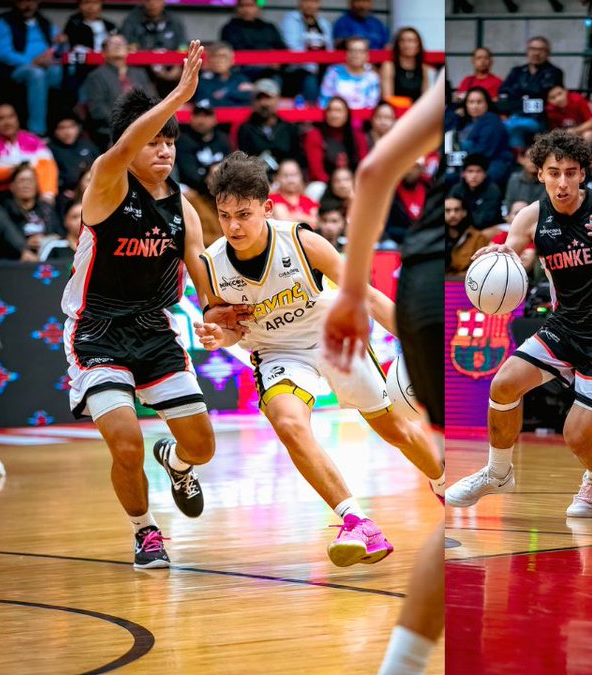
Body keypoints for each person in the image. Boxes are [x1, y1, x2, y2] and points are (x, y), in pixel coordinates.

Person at [193, 151, 445, 565]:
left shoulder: (303, 242)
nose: (233, 226)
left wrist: (416, 344)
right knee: (288, 422)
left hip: (333, 337)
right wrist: (216, 336)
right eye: (224, 216)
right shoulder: (213, 265)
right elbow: (231, 328)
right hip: (277, 351)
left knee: (397, 431)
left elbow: (370, 297)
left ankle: (443, 485)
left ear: (267, 208)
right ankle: (356, 523)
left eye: (243, 214)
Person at [60, 43, 230, 569]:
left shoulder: (181, 204)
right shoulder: (108, 185)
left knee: (202, 447)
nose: (164, 150)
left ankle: (177, 463)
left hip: (155, 331)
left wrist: (213, 309)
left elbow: (197, 258)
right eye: (153, 141)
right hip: (97, 332)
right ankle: (145, 531)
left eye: (170, 142)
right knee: (126, 442)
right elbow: (118, 150)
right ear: (129, 148)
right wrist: (179, 95)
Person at [445, 130, 592, 518]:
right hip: (565, 324)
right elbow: (510, 252)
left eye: (572, 172)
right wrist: (498, 256)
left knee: (576, 435)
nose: (563, 182)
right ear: (540, 175)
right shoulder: (532, 216)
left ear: (584, 172)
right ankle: (498, 472)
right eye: (554, 173)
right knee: (503, 385)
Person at [320, 76, 445, 675]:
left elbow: (372, 173)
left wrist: (350, 293)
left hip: (419, 283)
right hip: (446, 273)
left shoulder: (449, 94)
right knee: (457, 514)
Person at [0, 0, 61, 136]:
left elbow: (56, 42)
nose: (28, 5)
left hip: (44, 66)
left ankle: (59, 124)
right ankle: (37, 131)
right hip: (16, 69)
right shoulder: (3, 22)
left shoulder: (44, 22)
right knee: (36, 75)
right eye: (23, 1)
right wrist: (32, 61)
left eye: (31, 1)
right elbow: (3, 52)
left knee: (60, 72)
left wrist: (55, 49)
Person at [79, 33, 157, 148]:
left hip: (142, 127)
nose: (118, 46)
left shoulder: (139, 74)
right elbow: (97, 109)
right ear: (103, 53)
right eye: (113, 44)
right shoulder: (96, 76)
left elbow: (152, 100)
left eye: (121, 43)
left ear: (128, 50)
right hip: (111, 131)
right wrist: (125, 123)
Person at [497, 36, 564, 149]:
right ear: (527, 51)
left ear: (547, 53)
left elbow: (543, 95)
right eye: (533, 49)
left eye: (541, 50)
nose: (536, 53)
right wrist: (527, 97)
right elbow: (503, 91)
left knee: (515, 127)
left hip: (539, 118)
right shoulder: (517, 71)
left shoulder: (554, 72)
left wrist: (519, 96)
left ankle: (519, 161)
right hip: (514, 115)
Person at [119, 0, 188, 93]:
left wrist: (177, 67)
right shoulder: (132, 20)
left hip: (170, 67)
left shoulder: (174, 20)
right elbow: (129, 46)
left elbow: (183, 45)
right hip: (142, 69)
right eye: (148, 1)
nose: (152, 4)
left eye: (156, 1)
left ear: (163, 2)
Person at [237, 79, 305, 171]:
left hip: (285, 179)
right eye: (259, 98)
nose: (264, 103)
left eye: (268, 98)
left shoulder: (290, 128)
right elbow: (243, 163)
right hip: (256, 180)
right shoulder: (245, 129)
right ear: (253, 102)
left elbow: (298, 160)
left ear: (277, 99)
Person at [0, 102, 58, 199]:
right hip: (2, 196)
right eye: (1, 118)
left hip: (36, 196)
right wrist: (11, 171)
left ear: (17, 119)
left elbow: (48, 168)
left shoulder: (32, 140)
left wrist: (47, 197)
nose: (7, 122)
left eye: (11, 116)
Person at [0, 163, 61, 257]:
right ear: (12, 186)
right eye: (22, 180)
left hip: (47, 257)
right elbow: (4, 236)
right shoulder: (3, 209)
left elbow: (59, 234)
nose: (26, 184)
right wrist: (26, 242)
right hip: (15, 260)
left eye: (30, 180)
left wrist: (47, 239)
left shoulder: (46, 208)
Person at [452, 86, 513, 188]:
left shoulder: (492, 122)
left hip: (491, 165)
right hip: (468, 164)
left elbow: (485, 152)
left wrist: (465, 148)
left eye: (479, 102)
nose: (474, 106)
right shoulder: (464, 122)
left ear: (487, 104)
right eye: (470, 102)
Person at [305, 96, 368, 183]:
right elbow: (317, 172)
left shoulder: (357, 136)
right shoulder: (315, 135)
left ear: (347, 114)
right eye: (330, 110)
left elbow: (364, 166)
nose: (334, 115)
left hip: (353, 184)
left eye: (338, 111)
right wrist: (335, 186)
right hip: (325, 184)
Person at [281, 0, 332, 102]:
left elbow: (330, 49)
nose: (310, 5)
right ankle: (311, 115)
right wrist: (313, 64)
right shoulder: (291, 20)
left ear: (319, 4)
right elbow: (293, 47)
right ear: (299, 3)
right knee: (310, 78)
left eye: (314, 2)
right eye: (306, 1)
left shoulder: (324, 23)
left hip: (323, 68)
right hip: (299, 69)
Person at [175, 103, 229, 195]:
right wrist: (210, 175)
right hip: (195, 191)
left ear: (215, 119)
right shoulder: (183, 140)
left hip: (222, 190)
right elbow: (189, 175)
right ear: (191, 118)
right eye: (197, 115)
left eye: (206, 115)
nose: (201, 120)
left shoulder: (222, 138)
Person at [320, 36, 381, 109]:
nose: (356, 55)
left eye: (360, 51)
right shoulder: (334, 72)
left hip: (363, 119)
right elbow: (324, 101)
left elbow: (372, 105)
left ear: (367, 55)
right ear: (346, 53)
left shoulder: (372, 77)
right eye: (352, 50)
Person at [47, 115, 99, 195]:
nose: (68, 132)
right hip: (63, 195)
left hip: (92, 191)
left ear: (78, 127)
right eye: (62, 128)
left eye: (71, 126)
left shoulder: (88, 145)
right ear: (55, 130)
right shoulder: (49, 150)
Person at [449, 154, 502, 229]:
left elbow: (484, 220)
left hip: (487, 230)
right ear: (463, 174)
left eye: (478, 171)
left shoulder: (493, 190)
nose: (474, 176)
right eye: (470, 171)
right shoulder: (457, 190)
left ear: (485, 174)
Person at [195, 42, 255, 108]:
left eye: (223, 56)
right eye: (215, 57)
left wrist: (224, 94)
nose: (219, 60)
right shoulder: (202, 81)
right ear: (209, 60)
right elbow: (203, 104)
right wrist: (235, 93)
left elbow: (247, 101)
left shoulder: (241, 79)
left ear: (232, 60)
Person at [383, 26, 432, 101]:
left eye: (411, 41)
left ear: (418, 45)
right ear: (397, 44)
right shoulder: (389, 66)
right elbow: (387, 97)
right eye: (402, 41)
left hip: (419, 110)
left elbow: (425, 98)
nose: (406, 44)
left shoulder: (423, 68)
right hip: (395, 109)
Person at [270, 158, 318, 223]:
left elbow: (315, 222)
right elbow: (284, 221)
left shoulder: (309, 201)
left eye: (294, 174)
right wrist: (306, 218)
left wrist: (292, 215)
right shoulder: (272, 199)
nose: (290, 180)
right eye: (285, 175)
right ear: (277, 178)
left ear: (301, 176)